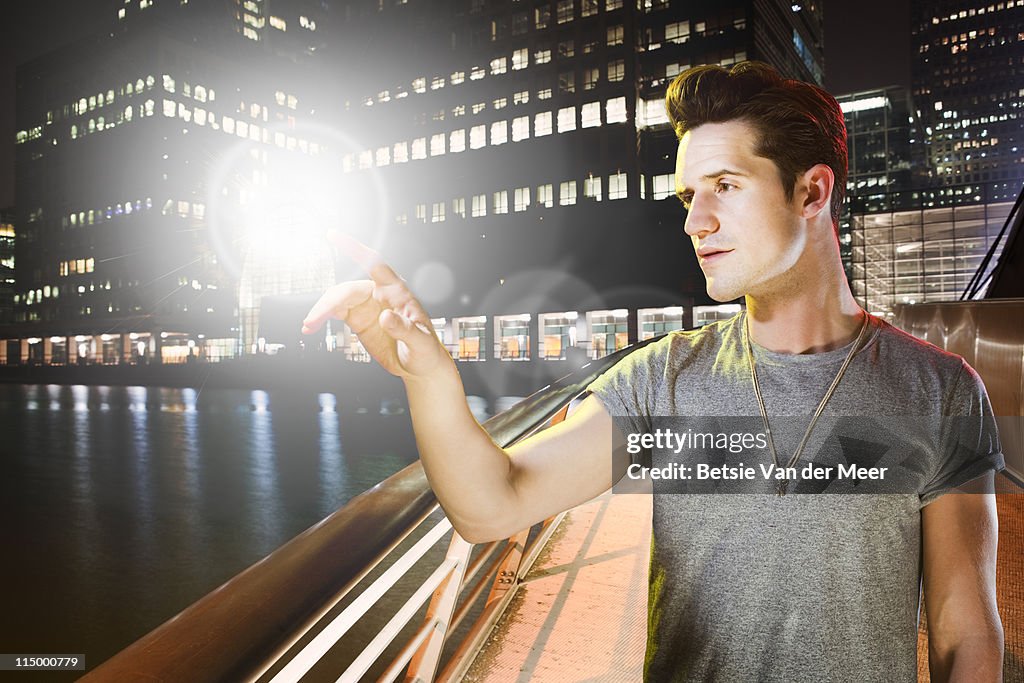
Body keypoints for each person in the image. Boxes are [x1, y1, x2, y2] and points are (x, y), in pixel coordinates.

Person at [302, 61, 1004, 681]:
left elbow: (963, 629)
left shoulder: (941, 393)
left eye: (724, 186)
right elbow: (494, 502)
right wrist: (427, 372)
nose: (695, 220)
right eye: (688, 196)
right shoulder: (658, 380)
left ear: (812, 193)